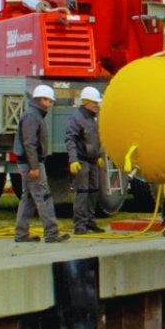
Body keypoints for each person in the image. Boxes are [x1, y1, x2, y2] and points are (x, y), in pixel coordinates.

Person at [14, 84, 68, 243]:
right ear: (40, 100)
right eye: (49, 101)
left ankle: (21, 233)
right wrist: (35, 166)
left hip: (29, 163)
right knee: (43, 197)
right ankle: (52, 233)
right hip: (33, 164)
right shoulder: (32, 117)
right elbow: (29, 143)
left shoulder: (34, 115)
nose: (51, 104)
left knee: (29, 198)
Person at [65, 86, 105, 234]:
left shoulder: (94, 118)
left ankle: (90, 221)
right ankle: (80, 225)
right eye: (95, 102)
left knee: (94, 190)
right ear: (86, 102)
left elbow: (97, 139)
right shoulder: (77, 118)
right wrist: (73, 159)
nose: (97, 105)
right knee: (82, 192)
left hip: (93, 160)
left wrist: (99, 156)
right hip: (81, 160)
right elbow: (70, 139)